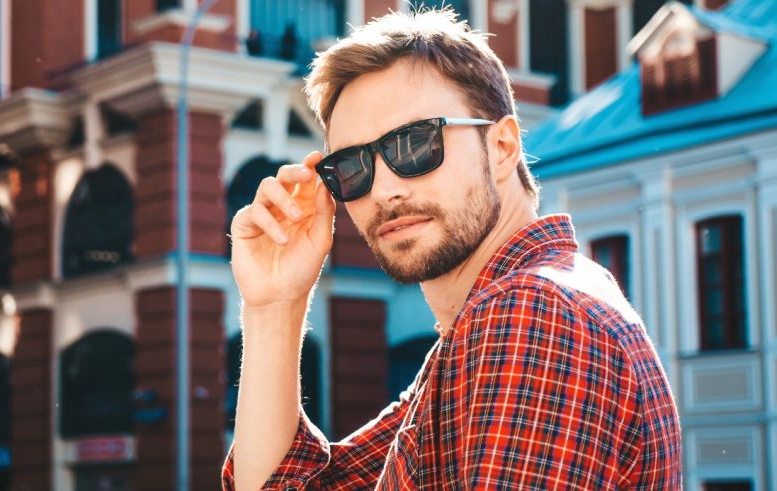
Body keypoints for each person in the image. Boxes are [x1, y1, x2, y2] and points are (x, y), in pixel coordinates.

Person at [223, 8, 681, 490]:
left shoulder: (532, 312)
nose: (385, 190)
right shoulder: (477, 337)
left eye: (415, 144)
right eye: (353, 167)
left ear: (501, 147)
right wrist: (274, 306)